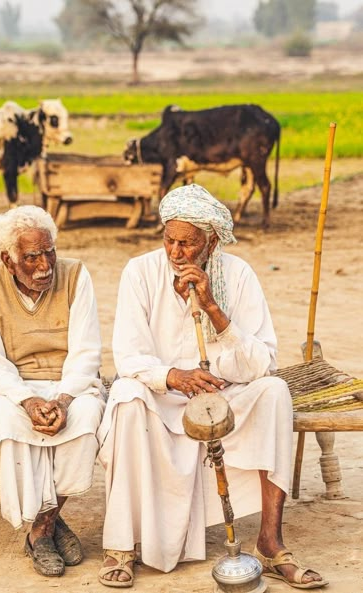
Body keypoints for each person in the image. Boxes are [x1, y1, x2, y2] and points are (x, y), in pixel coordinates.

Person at [97, 184, 327, 589]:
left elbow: (262, 363)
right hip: (162, 399)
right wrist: (173, 376)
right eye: (169, 240)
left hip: (226, 397)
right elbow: (128, 357)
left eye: (187, 244)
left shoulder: (238, 275)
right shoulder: (140, 271)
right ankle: (121, 547)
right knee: (127, 398)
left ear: (212, 240)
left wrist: (214, 310)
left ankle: (270, 545)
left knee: (274, 393)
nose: (175, 252)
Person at [0, 205, 106, 578]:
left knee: (87, 414)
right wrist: (27, 400)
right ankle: (49, 525)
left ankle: (41, 529)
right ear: (8, 260)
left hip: (68, 383)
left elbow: (86, 350)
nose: (45, 266)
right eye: (31, 257)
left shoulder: (76, 275)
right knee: (4, 418)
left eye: (49, 252)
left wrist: (63, 399)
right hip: (12, 388)